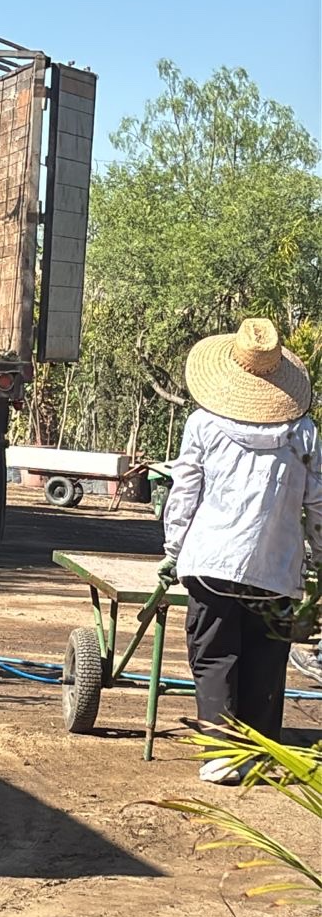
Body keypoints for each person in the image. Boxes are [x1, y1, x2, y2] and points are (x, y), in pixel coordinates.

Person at [161, 317, 322, 784]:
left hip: (211, 561)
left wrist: (174, 548)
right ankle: (260, 754)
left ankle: (221, 755)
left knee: (214, 656)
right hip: (275, 567)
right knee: (265, 658)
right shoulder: (303, 433)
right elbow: (317, 503)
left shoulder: (204, 424)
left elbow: (185, 492)